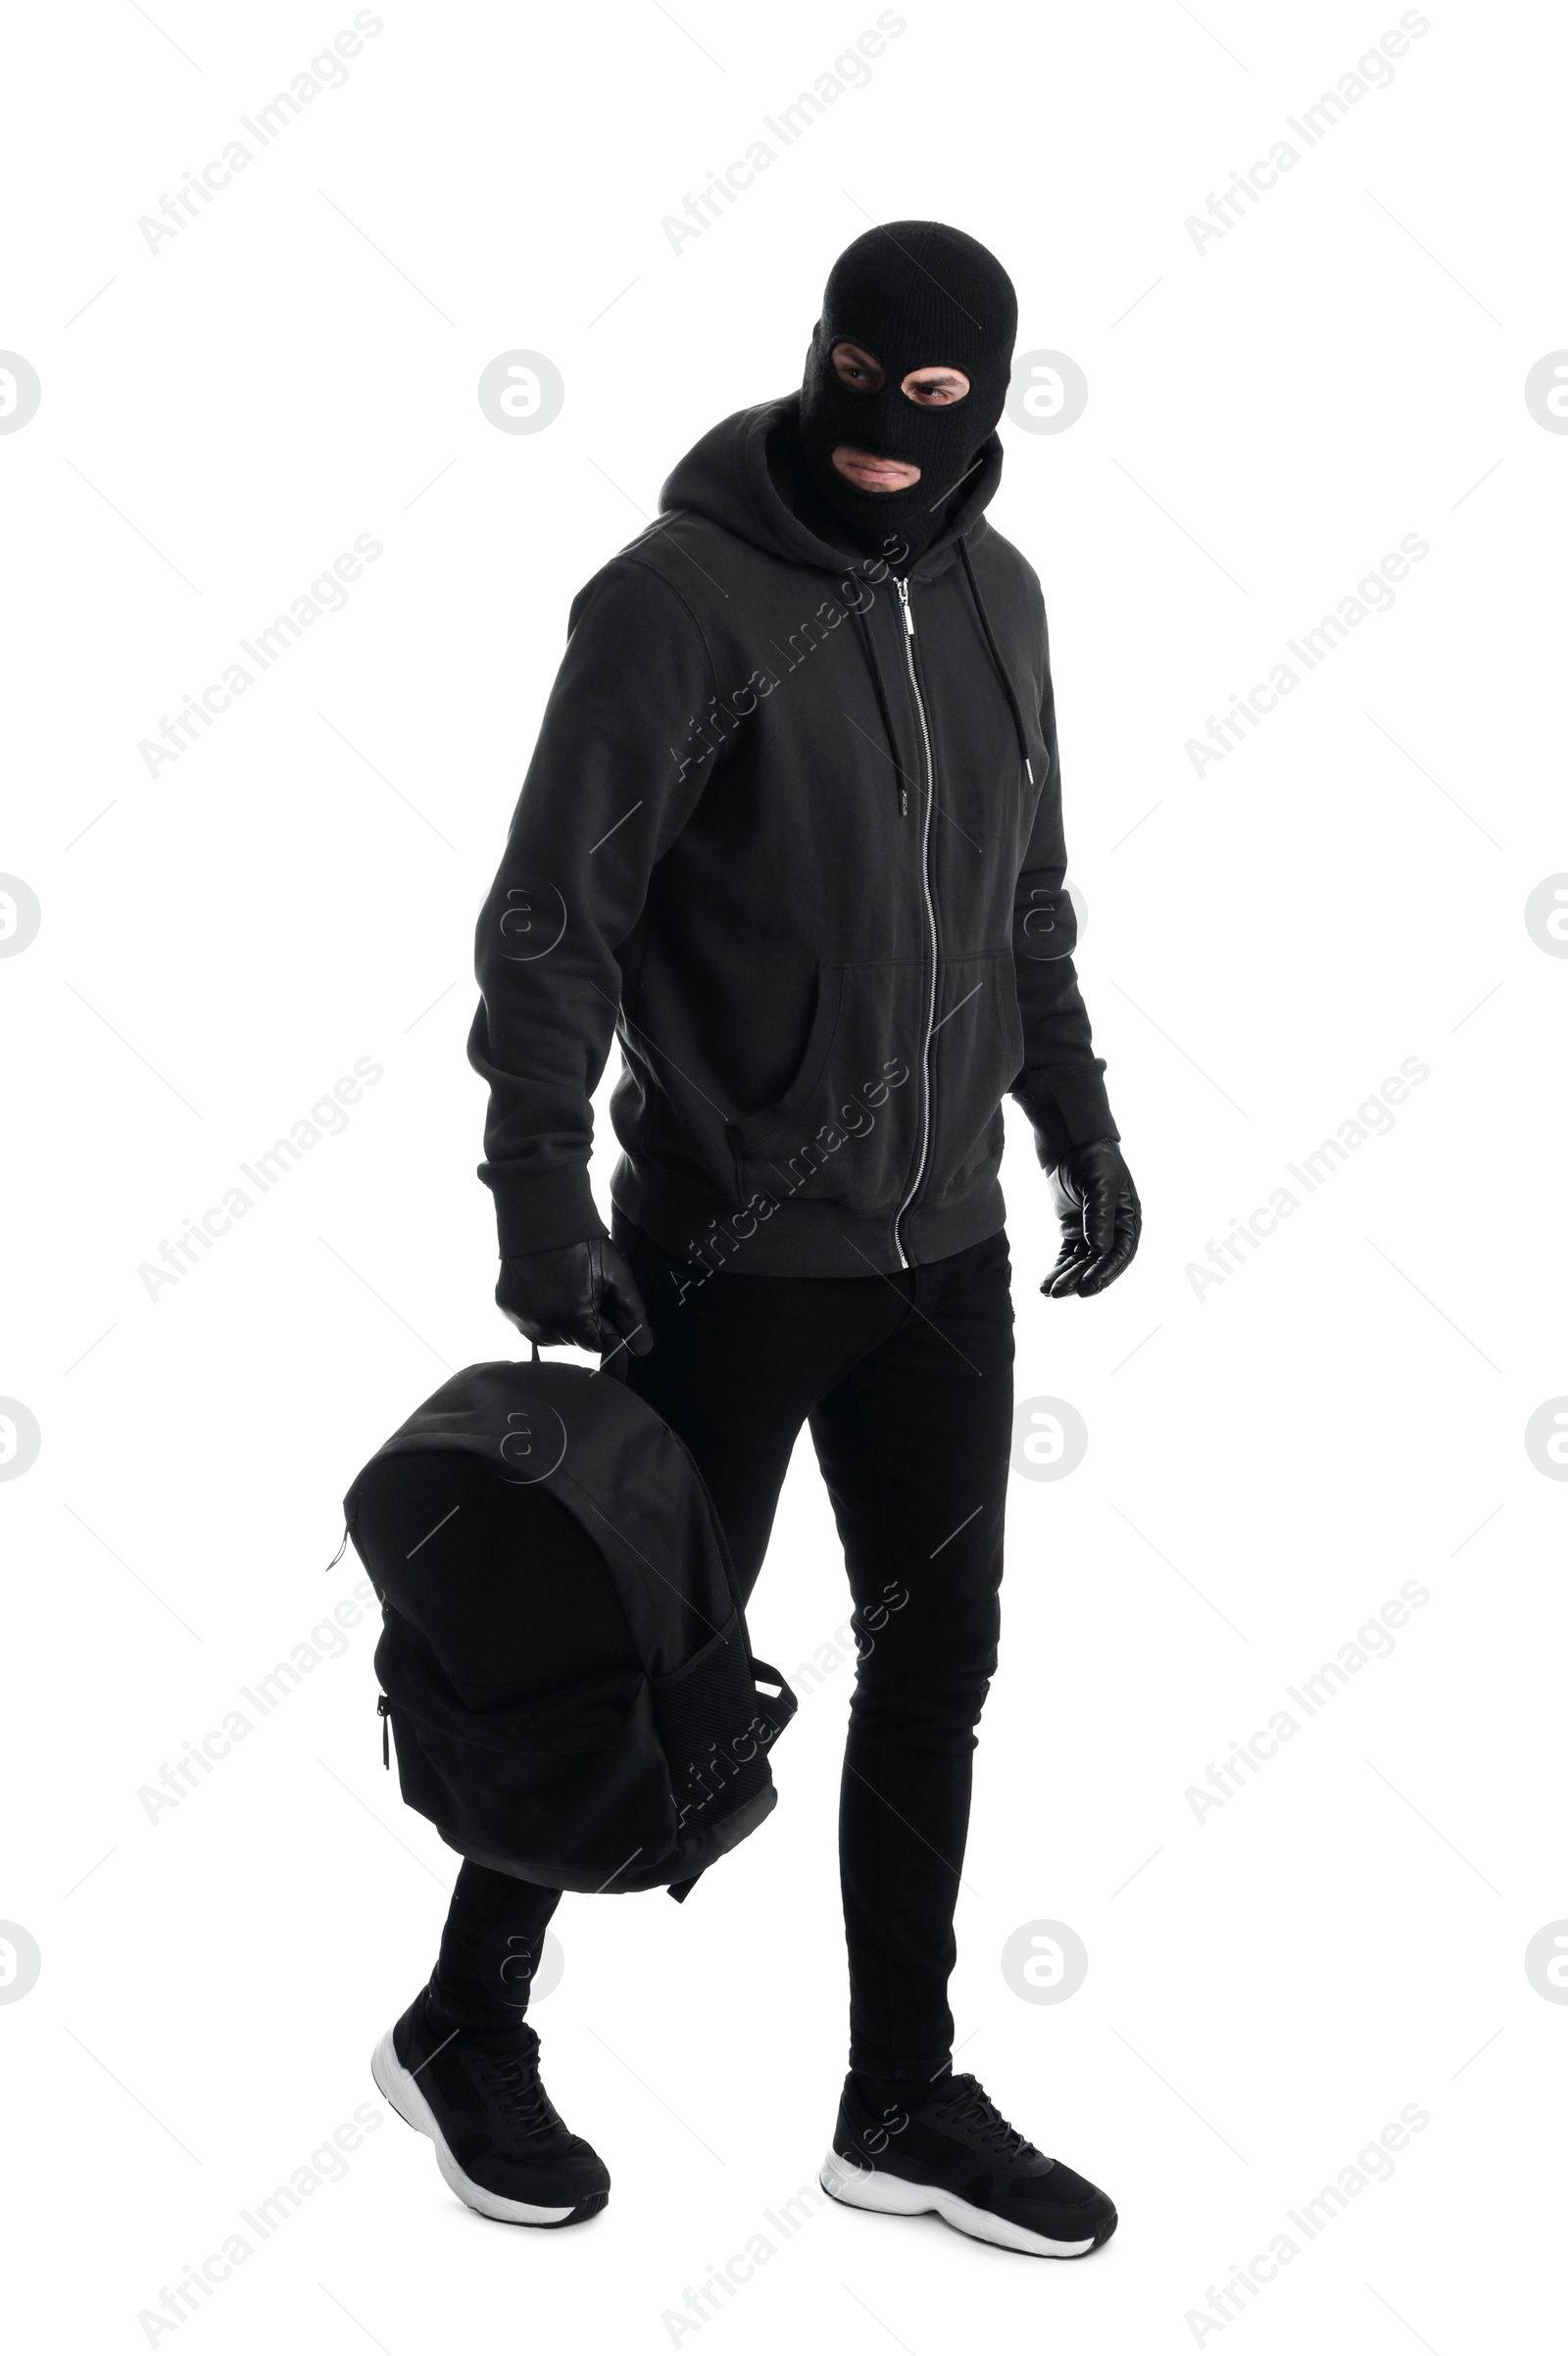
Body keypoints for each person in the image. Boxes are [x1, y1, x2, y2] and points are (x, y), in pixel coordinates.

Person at [374, 221, 1140, 2255]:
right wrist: (541, 1198)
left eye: (934, 409)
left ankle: (897, 2095)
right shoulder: (673, 603)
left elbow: (1020, 897)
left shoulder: (1001, 596)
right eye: (860, 390)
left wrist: (1068, 1114)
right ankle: (464, 2020)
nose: (887, 441)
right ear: (819, 359)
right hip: (718, 1253)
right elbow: (557, 923)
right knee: (629, 1656)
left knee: (936, 1655)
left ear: (987, 404)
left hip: (939, 1258)